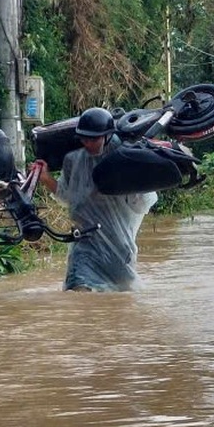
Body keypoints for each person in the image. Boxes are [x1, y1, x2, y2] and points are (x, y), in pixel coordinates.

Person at [35, 107, 157, 292]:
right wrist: (46, 178)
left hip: (117, 246)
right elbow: (67, 196)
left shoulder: (124, 159)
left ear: (108, 136)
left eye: (94, 138)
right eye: (84, 138)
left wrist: (135, 183)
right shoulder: (73, 161)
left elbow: (143, 203)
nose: (88, 143)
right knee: (78, 293)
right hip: (84, 244)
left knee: (121, 299)